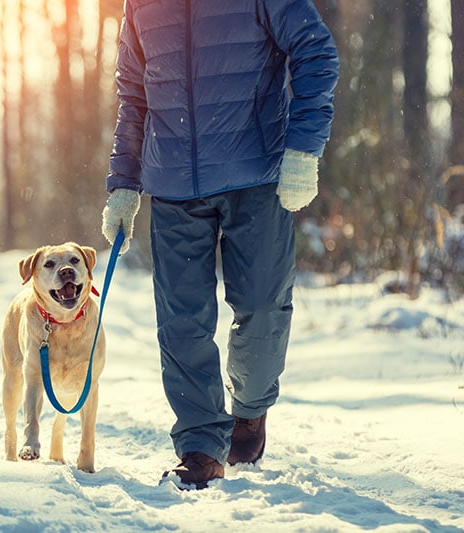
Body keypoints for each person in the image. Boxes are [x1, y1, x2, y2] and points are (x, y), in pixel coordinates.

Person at [101, 0, 339, 490]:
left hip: (255, 176)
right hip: (171, 186)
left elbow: (315, 51)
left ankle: (249, 411)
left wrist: (303, 150)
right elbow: (133, 95)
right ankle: (200, 446)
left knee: (261, 306)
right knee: (181, 320)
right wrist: (124, 182)